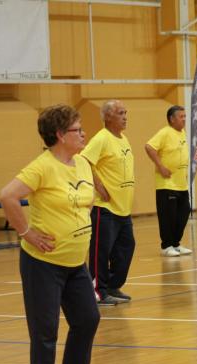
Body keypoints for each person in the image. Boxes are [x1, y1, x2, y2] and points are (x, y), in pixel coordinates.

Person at [0, 105, 102, 364]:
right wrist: (27, 233)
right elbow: (8, 196)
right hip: (43, 265)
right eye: (77, 130)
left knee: (87, 319)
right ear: (59, 135)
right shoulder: (42, 166)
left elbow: (86, 201)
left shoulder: (82, 163)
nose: (83, 134)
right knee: (45, 330)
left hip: (75, 263)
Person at [81, 100, 135, 305]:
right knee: (100, 252)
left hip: (123, 208)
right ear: (107, 117)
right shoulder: (101, 138)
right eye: (120, 113)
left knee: (126, 248)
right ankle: (98, 291)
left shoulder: (123, 139)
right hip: (105, 209)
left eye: (125, 112)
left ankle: (112, 285)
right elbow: (84, 159)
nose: (125, 116)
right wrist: (98, 184)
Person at [145, 105, 192, 257]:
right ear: (172, 119)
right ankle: (166, 246)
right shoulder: (165, 132)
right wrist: (161, 166)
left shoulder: (182, 133)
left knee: (184, 212)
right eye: (181, 116)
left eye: (185, 116)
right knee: (168, 216)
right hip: (167, 184)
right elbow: (149, 147)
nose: (184, 119)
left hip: (181, 184)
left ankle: (176, 244)